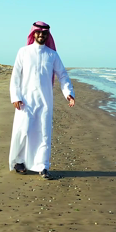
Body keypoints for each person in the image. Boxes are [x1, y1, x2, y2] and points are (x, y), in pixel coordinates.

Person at [9, 21, 75, 179]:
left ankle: (43, 166)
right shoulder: (23, 52)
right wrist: (15, 96)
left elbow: (63, 75)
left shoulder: (52, 55)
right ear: (33, 34)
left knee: (44, 132)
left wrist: (69, 93)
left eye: (44, 33)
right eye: (38, 32)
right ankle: (19, 161)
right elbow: (15, 76)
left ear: (48, 35)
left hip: (45, 100)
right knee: (22, 130)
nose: (41, 35)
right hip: (25, 100)